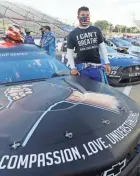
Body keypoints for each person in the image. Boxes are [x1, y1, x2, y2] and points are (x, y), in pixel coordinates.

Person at [67, 6, 111, 84]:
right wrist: (73, 68)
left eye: (88, 15)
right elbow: (69, 53)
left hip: (96, 68)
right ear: (78, 17)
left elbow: (103, 47)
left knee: (99, 92)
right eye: (83, 15)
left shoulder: (96, 30)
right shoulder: (72, 34)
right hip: (82, 69)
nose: (86, 17)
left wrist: (107, 63)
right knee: (84, 93)